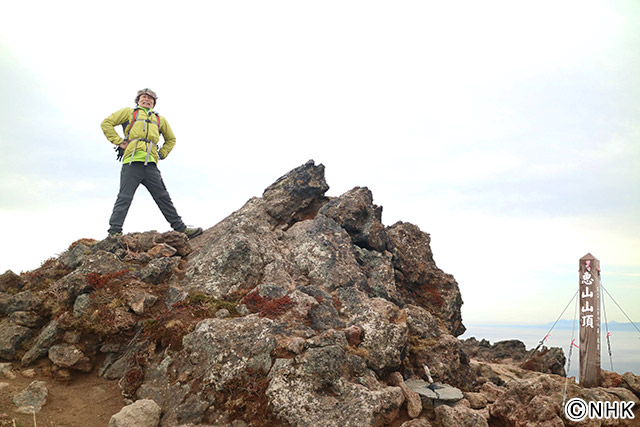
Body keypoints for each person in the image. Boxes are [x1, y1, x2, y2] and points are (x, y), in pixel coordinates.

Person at [101, 88, 202, 239]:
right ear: (138, 100)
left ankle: (180, 229)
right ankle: (114, 232)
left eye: (150, 98)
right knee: (125, 197)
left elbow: (171, 139)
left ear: (154, 103)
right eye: (143, 97)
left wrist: (161, 153)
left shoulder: (159, 119)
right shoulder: (129, 112)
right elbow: (106, 123)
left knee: (163, 197)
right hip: (132, 162)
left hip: (151, 165)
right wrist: (119, 142)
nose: (147, 100)